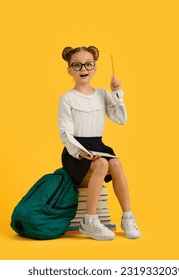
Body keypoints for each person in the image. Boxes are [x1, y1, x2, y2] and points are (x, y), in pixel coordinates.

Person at [58, 46, 141, 241]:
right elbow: (65, 132)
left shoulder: (103, 94)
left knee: (116, 163)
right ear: (69, 70)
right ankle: (89, 220)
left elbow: (120, 119)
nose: (82, 68)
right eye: (76, 65)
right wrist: (80, 152)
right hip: (75, 151)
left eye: (88, 64)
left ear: (94, 68)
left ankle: (128, 216)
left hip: (98, 145)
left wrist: (117, 93)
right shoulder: (67, 98)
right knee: (103, 163)